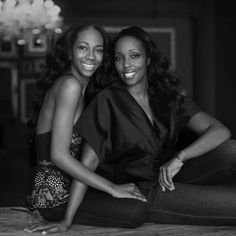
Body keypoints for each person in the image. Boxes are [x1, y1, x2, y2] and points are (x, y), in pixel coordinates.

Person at [27, 25, 236, 234]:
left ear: (148, 59)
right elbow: (81, 161)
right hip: (141, 189)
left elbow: (220, 131)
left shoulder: (162, 94)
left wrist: (180, 157)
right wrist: (68, 220)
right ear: (70, 51)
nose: (126, 64)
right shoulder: (97, 96)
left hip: (171, 172)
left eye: (134, 55)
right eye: (118, 58)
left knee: (230, 150)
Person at [25, 23, 148, 234]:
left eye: (98, 50)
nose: (91, 56)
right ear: (70, 52)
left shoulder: (86, 94)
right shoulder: (69, 86)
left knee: (136, 199)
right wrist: (112, 189)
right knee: (135, 210)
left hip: (69, 193)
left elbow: (86, 162)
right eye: (83, 47)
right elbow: (59, 156)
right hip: (51, 200)